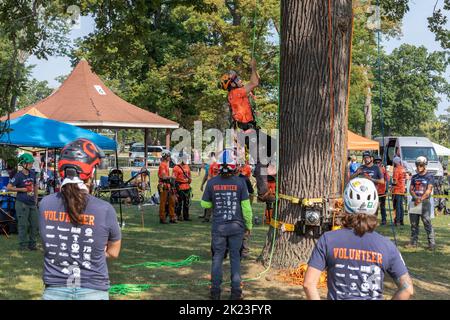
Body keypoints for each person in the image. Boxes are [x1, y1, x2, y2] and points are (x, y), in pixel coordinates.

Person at [304, 178, 414, 300]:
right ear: (375, 206)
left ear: (345, 203)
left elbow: (309, 284)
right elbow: (407, 288)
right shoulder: (387, 245)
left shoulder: (328, 239)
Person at [38, 138, 121, 300]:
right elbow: (114, 252)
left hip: (55, 289)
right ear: (90, 172)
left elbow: (47, 243)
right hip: (93, 289)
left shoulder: (45, 204)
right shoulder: (104, 209)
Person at [201, 149, 253, 300]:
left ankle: (215, 292)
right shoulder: (241, 182)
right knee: (235, 258)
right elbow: (247, 209)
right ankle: (236, 293)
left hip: (218, 227)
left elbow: (204, 204)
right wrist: (248, 226)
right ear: (234, 166)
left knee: (217, 258)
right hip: (237, 228)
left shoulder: (212, 182)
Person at [7, 153, 39, 251]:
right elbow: (9, 187)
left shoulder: (32, 173)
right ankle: (22, 246)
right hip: (22, 204)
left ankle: (32, 245)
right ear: (23, 164)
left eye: (31, 163)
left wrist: (36, 199)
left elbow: (35, 186)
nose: (31, 165)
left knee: (35, 225)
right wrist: (21, 189)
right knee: (23, 225)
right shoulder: (18, 176)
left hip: (32, 203)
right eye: (29, 163)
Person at [407, 156, 436, 250]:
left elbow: (429, 190)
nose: (418, 167)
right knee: (414, 223)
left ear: (424, 165)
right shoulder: (414, 177)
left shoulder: (430, 176)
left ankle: (431, 243)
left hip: (425, 202)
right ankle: (413, 242)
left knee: (427, 222)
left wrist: (421, 199)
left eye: (420, 165)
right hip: (414, 201)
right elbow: (411, 189)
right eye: (417, 165)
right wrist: (415, 198)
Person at [158, 150, 177, 224]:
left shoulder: (165, 164)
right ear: (165, 156)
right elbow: (163, 177)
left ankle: (172, 217)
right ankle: (162, 218)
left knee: (172, 202)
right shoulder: (162, 165)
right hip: (163, 185)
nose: (170, 157)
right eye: (169, 156)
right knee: (163, 203)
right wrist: (171, 177)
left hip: (168, 185)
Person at [173, 153, 192, 221]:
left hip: (187, 187)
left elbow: (189, 175)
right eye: (185, 158)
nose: (186, 159)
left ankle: (186, 216)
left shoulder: (187, 166)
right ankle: (178, 216)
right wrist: (174, 188)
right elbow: (173, 179)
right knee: (179, 202)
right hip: (179, 187)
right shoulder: (176, 168)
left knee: (186, 203)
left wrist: (190, 180)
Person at [374, 155, 389, 225]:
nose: (377, 163)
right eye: (376, 162)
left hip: (382, 191)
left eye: (378, 162)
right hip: (374, 191)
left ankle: (384, 220)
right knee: (374, 206)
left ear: (380, 162)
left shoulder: (383, 169)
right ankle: (374, 220)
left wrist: (387, 189)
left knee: (382, 206)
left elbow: (387, 179)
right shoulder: (373, 169)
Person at [391, 157, 406, 226]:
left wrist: (391, 188)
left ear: (395, 162)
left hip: (397, 190)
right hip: (402, 189)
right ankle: (401, 220)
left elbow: (395, 181)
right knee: (400, 206)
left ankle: (397, 221)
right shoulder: (403, 169)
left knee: (397, 206)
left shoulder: (396, 169)